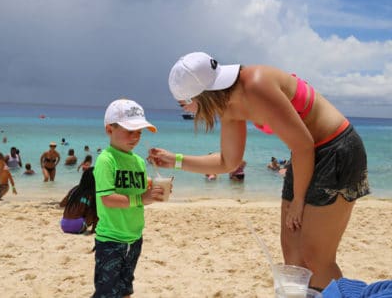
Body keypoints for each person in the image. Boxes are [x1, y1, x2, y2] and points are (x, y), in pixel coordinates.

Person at [148, 52, 370, 291]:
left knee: (316, 257)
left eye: (184, 103)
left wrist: (298, 200)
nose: (188, 111)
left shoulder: (255, 85)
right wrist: (176, 161)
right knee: (294, 258)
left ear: (201, 95)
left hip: (336, 149)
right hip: (305, 154)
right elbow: (228, 162)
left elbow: (304, 145)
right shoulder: (229, 107)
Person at [92, 98, 166, 298]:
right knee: (106, 292)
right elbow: (108, 198)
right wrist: (142, 198)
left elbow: (139, 191)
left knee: (125, 289)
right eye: (129, 131)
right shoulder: (106, 160)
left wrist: (156, 188)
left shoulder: (138, 162)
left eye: (139, 132)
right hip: (111, 239)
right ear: (110, 129)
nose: (135, 137)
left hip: (134, 238)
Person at [60, 167, 98, 234]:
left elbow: (62, 204)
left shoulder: (75, 189)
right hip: (78, 226)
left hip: (63, 225)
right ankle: (94, 230)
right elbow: (95, 212)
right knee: (97, 208)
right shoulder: (93, 193)